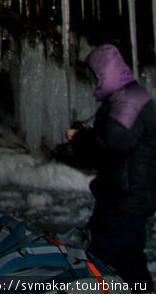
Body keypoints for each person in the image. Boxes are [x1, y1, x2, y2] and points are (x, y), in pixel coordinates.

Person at [66, 43, 156, 290]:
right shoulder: (132, 96)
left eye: (96, 77)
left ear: (106, 74)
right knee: (130, 260)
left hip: (122, 198)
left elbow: (113, 146)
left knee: (96, 259)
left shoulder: (128, 101)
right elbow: (118, 140)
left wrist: (82, 139)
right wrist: (90, 135)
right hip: (132, 196)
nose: (95, 84)